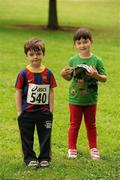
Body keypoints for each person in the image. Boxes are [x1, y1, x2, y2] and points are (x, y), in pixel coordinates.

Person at [61, 28, 107, 160]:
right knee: (74, 125)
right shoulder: (72, 60)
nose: (82, 45)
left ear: (91, 42)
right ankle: (72, 149)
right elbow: (69, 78)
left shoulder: (97, 61)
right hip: (75, 99)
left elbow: (104, 78)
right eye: (79, 43)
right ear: (75, 45)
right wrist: (63, 75)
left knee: (91, 125)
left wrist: (96, 75)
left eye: (85, 42)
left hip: (91, 99)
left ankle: (93, 148)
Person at [15, 37, 57, 168]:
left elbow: (51, 91)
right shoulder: (23, 73)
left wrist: (51, 109)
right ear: (26, 56)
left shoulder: (48, 73)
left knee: (45, 136)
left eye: (38, 53)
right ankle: (30, 158)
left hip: (44, 112)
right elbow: (18, 91)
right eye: (31, 54)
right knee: (27, 137)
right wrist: (19, 111)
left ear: (43, 54)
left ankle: (44, 158)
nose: (35, 57)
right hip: (27, 112)